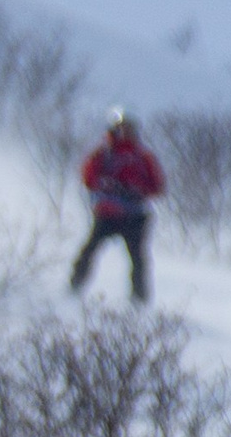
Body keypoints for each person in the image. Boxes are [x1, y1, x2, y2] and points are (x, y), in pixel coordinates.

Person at [69, 107, 166, 305]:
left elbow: (157, 186)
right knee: (89, 251)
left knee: (138, 260)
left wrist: (136, 189)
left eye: (128, 128)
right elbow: (88, 178)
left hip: (134, 215)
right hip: (107, 213)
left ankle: (140, 301)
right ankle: (74, 289)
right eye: (121, 128)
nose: (124, 132)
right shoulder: (102, 154)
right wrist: (107, 186)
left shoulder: (142, 157)